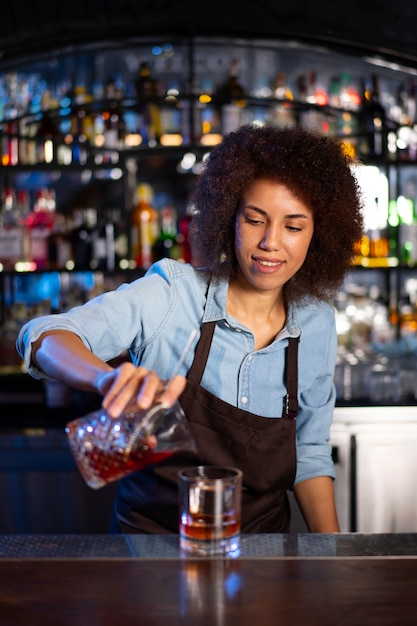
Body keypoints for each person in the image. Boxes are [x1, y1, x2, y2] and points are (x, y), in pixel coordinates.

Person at [17, 124, 363, 534]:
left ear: (317, 235)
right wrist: (105, 379)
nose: (271, 242)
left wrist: (332, 558)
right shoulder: (173, 294)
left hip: (263, 556)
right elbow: (42, 335)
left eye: (293, 226)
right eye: (255, 220)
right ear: (229, 217)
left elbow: (308, 453)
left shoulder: (316, 321)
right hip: (149, 552)